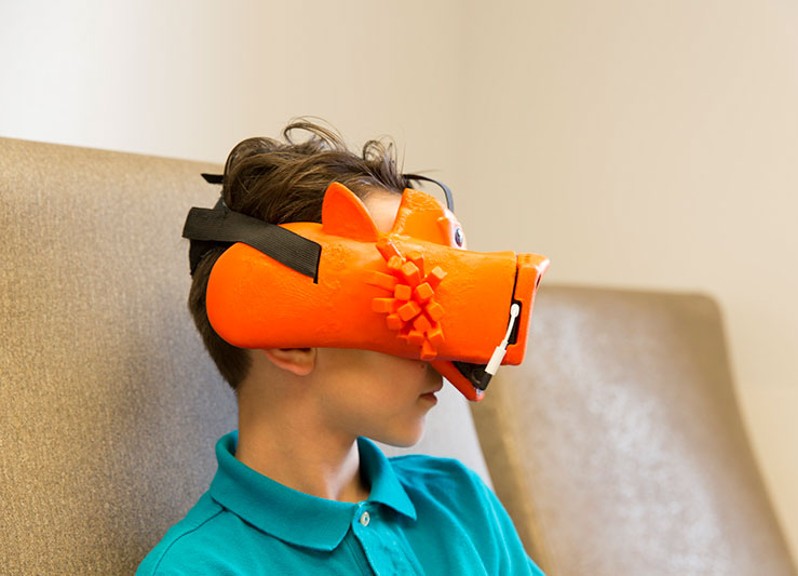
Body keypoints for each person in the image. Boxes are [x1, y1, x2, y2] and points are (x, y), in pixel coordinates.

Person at [137, 119, 544, 575]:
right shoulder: (201, 568)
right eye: (409, 302)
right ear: (288, 335)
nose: (442, 355)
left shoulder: (460, 504)